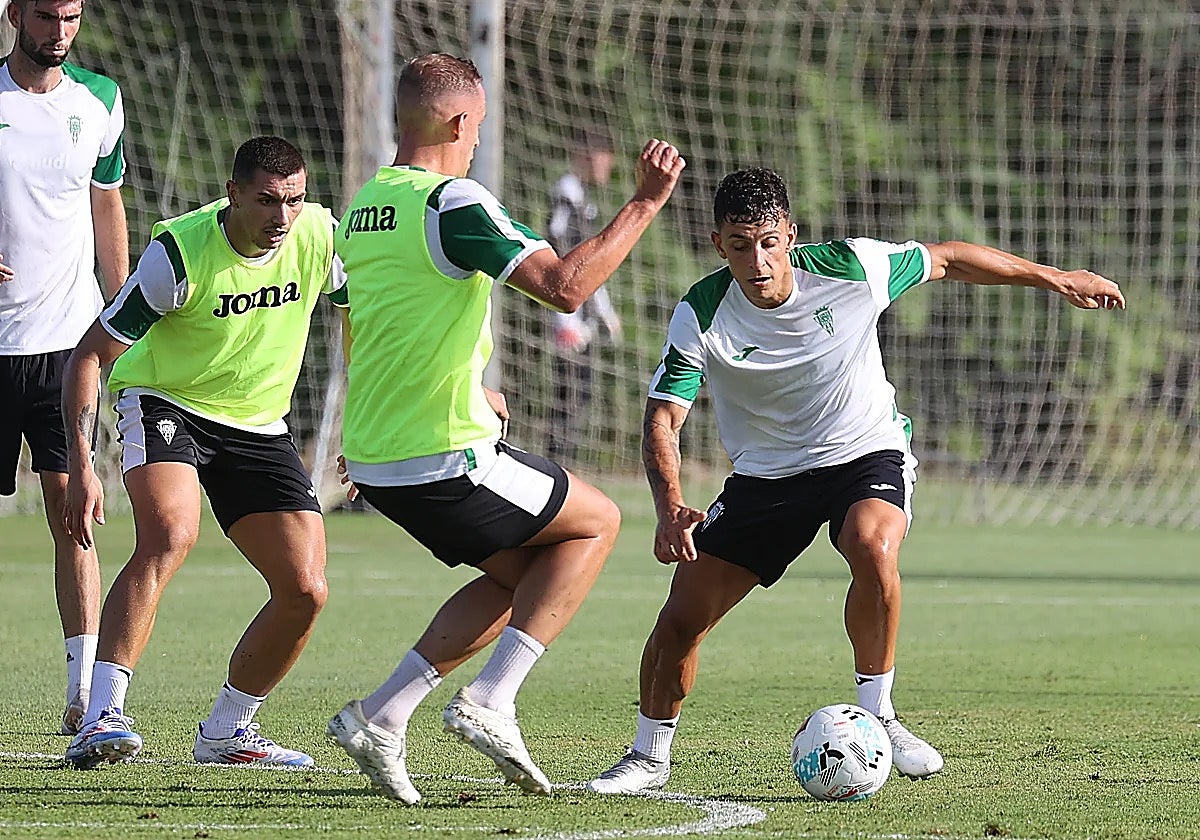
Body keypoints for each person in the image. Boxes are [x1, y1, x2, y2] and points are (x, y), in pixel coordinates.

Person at [588, 168, 1125, 794]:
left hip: (864, 451)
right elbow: (664, 417)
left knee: (872, 543)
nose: (756, 260)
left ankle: (878, 714)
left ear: (790, 234)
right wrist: (671, 504)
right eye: (739, 244)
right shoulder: (702, 312)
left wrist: (1054, 278)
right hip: (767, 476)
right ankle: (648, 759)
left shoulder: (851, 267)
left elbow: (948, 259)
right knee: (682, 619)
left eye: (767, 240)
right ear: (718, 245)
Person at [324, 53, 684, 804]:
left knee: (524, 578)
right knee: (598, 525)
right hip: (442, 451)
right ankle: (491, 701)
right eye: (479, 124)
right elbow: (565, 287)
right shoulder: (454, 201)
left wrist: (468, 385)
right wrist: (646, 204)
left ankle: (381, 716)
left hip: (377, 457)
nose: (479, 137)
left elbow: (372, 326)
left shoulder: (364, 205)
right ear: (459, 122)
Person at [60, 136, 343, 770]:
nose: (281, 217)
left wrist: (370, 421)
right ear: (233, 193)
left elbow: (367, 317)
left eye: (294, 200)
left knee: (305, 588)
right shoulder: (179, 256)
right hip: (166, 402)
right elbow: (89, 356)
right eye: (267, 200)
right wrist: (82, 463)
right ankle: (101, 716)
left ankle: (227, 733)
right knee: (169, 535)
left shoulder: (320, 236)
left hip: (259, 425)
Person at [0, 0, 128, 736]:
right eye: (45, 14)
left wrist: (121, 313)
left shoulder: (101, 101)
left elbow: (105, 204)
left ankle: (85, 698)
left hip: (64, 346)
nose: (59, 30)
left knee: (73, 514)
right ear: (16, 14)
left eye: (72, 16)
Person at [545, 125, 622, 466]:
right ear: (590, 155)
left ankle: (563, 469)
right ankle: (555, 469)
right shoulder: (565, 194)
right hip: (571, 320)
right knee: (569, 398)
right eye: (606, 158)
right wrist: (565, 318)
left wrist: (605, 313)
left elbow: (588, 263)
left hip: (584, 318)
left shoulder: (582, 200)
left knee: (580, 397)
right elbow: (557, 248)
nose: (609, 166)